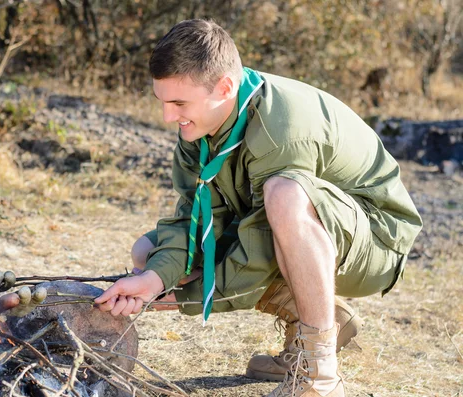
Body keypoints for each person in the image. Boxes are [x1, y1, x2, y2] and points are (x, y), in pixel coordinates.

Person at [94, 19, 422, 397]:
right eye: (163, 101)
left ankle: (320, 375)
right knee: (147, 253)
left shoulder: (281, 128)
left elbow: (263, 241)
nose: (168, 116)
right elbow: (192, 219)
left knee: (284, 195)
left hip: (376, 240)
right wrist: (154, 281)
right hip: (291, 224)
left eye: (179, 103)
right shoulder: (200, 125)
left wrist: (181, 297)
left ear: (225, 87)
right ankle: (319, 318)